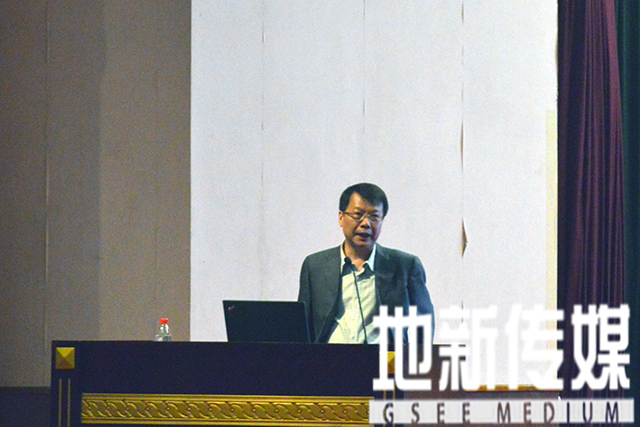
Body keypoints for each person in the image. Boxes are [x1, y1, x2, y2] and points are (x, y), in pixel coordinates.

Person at [298, 182, 434, 344]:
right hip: (329, 357)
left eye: (374, 217)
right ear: (341, 217)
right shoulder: (315, 266)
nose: (365, 223)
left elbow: (424, 320)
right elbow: (302, 326)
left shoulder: (405, 266)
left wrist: (415, 356)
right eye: (358, 215)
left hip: (384, 357)